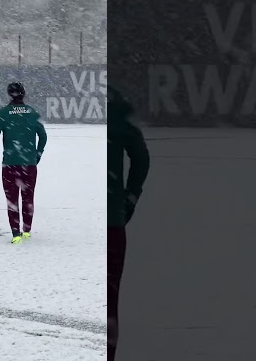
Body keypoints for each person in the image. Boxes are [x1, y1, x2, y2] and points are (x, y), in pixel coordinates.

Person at [107, 86, 150, 361]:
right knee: (109, 300)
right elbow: (142, 159)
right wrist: (131, 197)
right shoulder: (118, 122)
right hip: (112, 222)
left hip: (92, 225)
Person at [0, 82, 47, 244]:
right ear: (23, 93)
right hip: (28, 164)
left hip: (10, 164)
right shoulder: (33, 113)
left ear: (9, 94)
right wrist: (37, 155)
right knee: (28, 198)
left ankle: (16, 233)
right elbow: (43, 137)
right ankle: (27, 230)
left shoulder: (3, 113)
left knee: (12, 199)